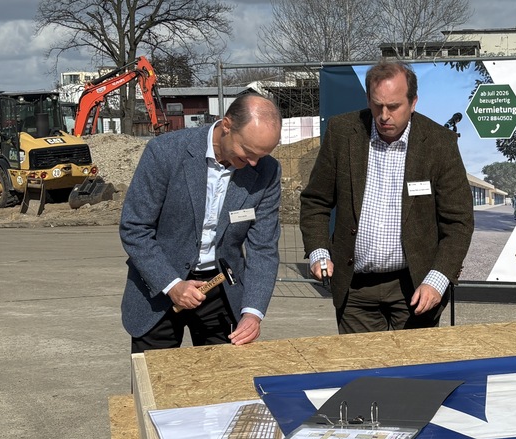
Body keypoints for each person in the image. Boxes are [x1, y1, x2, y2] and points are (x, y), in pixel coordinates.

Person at [299, 60, 474, 333]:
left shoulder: (439, 143)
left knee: (417, 372)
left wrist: (438, 280)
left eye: (393, 106)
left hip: (416, 285)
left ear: (413, 102)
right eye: (377, 104)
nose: (383, 115)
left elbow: (459, 222)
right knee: (364, 372)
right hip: (354, 288)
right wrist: (319, 252)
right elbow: (316, 201)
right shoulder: (343, 132)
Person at [120, 94, 283, 352]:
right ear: (227, 126)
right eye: (248, 152)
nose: (254, 163)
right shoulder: (165, 152)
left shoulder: (267, 171)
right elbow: (135, 228)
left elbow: (263, 248)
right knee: (155, 386)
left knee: (223, 386)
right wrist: (172, 285)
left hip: (222, 293)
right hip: (159, 289)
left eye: (262, 155)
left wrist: (253, 312)